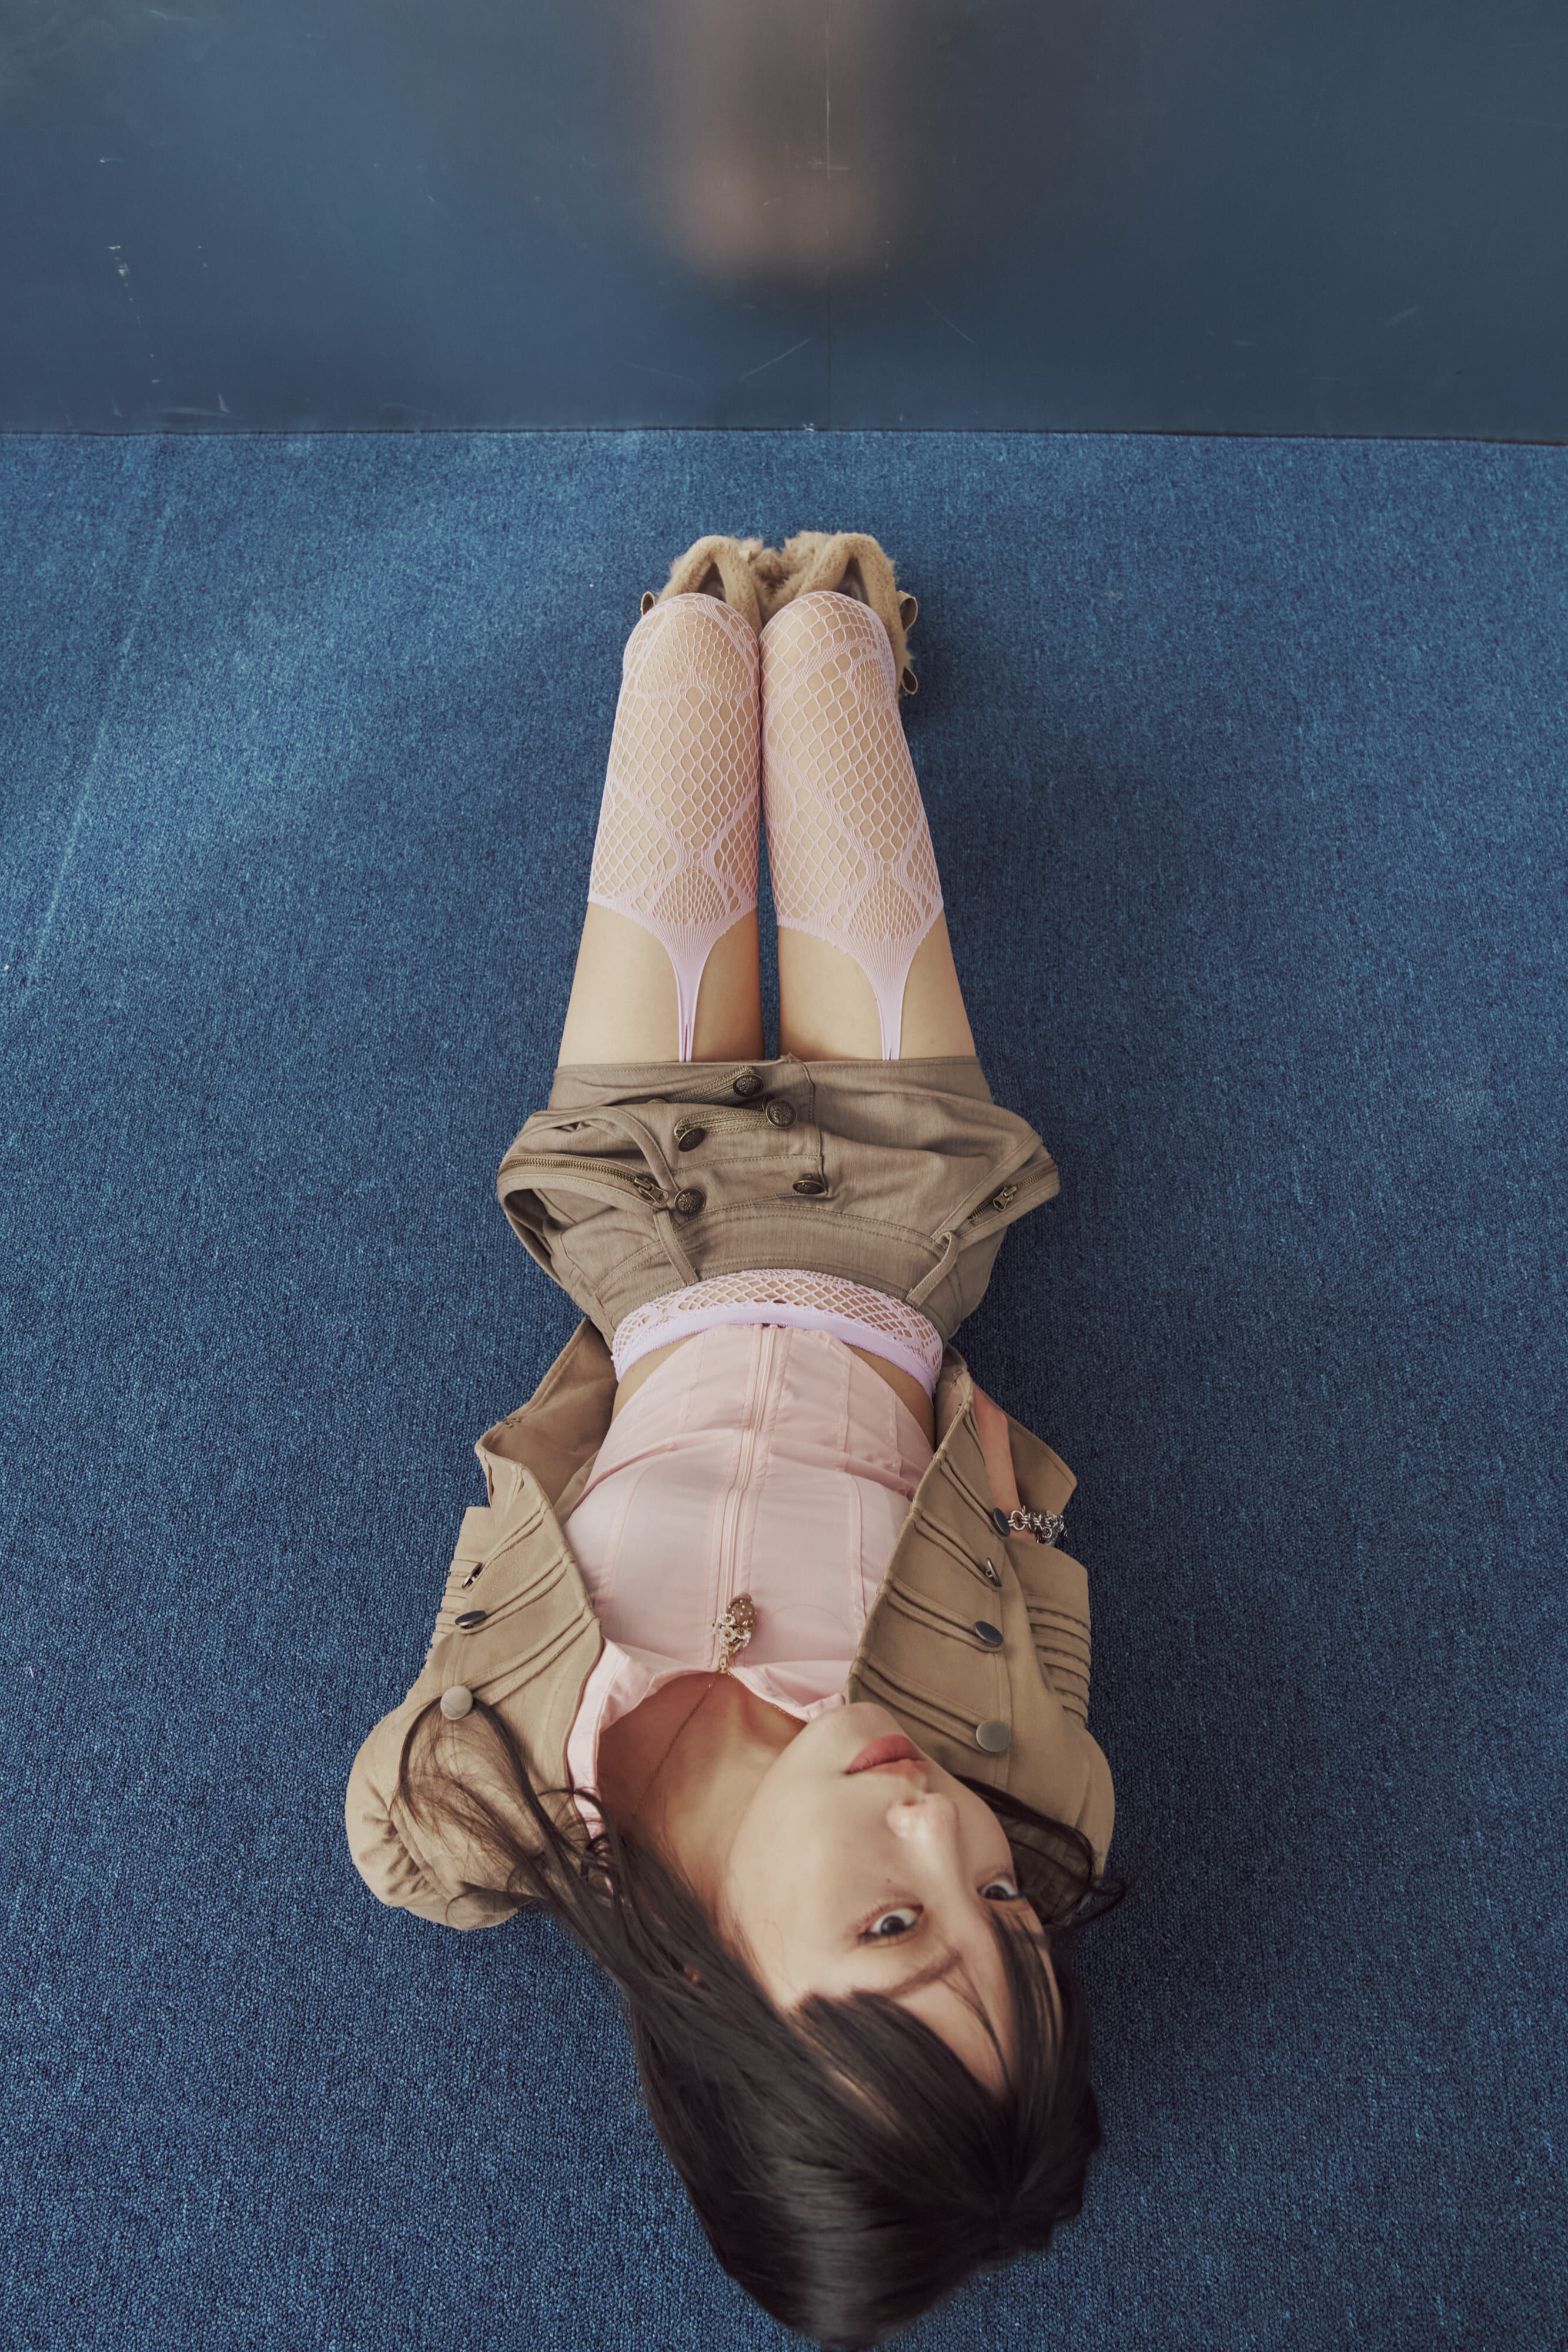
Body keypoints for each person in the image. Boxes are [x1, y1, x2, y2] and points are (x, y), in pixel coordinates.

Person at [346, 530, 1122, 2348]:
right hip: (894, 1223)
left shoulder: (472, 1813)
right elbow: (1039, 1613)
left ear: (718, 2008)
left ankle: (718, 633)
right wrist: (1006, 1497)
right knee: (826, 635)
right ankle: (851, 635)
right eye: (992, 1906)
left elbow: (473, 1607)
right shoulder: (1051, 1808)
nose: (938, 1832)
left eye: (889, 1930)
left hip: (649, 1227)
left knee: (692, 641)